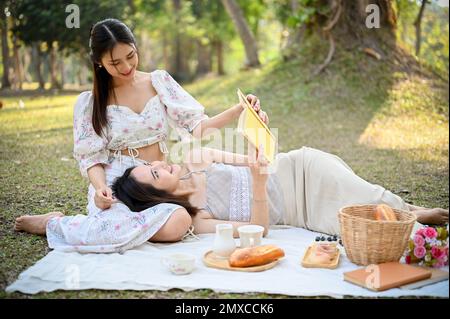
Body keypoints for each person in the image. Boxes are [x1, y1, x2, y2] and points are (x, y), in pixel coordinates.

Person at [13, 18, 268, 253]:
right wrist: (101, 188)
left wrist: (239, 109)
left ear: (135, 47)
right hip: (119, 183)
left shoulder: (159, 81)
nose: (126, 67)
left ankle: (102, 226)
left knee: (179, 219)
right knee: (116, 224)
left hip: (158, 179)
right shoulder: (90, 102)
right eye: (115, 63)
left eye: (130, 56)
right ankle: (55, 224)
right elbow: (91, 158)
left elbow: (199, 128)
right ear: (99, 62)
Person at [16, 146, 448, 241]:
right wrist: (259, 187)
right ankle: (405, 215)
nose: (161, 165)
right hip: (297, 212)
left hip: (298, 169)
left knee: (360, 192)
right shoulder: (199, 221)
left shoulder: (192, 156)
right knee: (355, 223)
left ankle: (413, 208)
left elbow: (250, 152)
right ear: (153, 194)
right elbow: (260, 228)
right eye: (152, 172)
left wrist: (256, 161)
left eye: (153, 163)